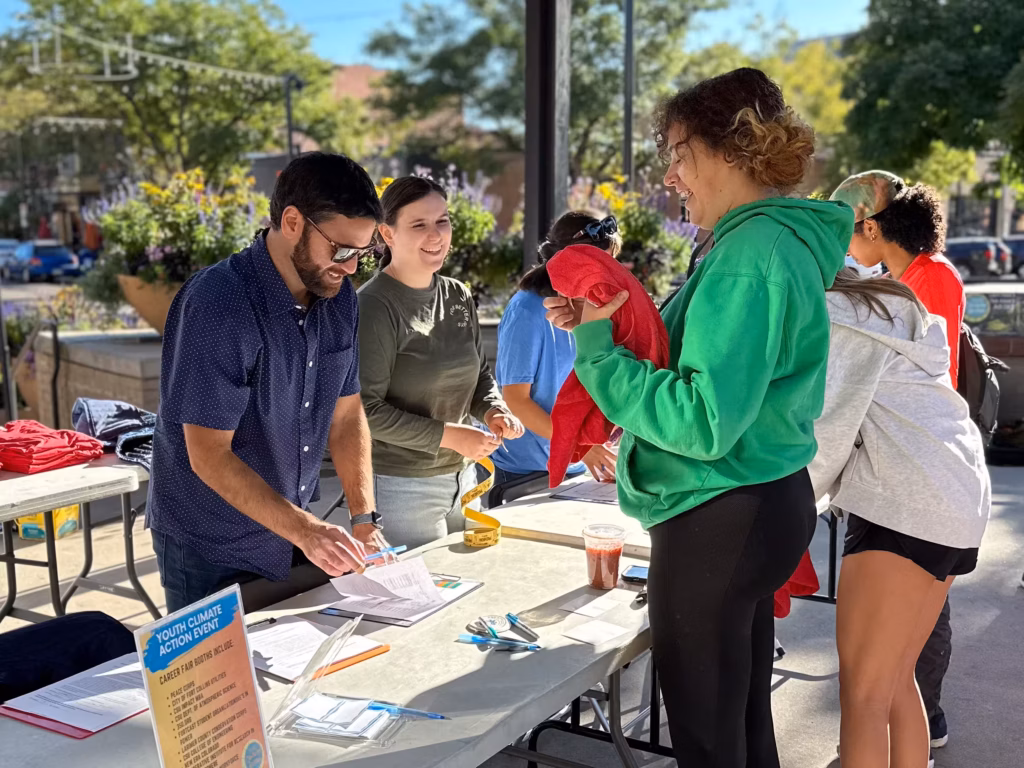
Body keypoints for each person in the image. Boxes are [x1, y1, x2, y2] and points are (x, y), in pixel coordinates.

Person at [548, 67, 850, 766]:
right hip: (757, 502)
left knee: (708, 739)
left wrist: (596, 352)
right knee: (740, 726)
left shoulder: (750, 253)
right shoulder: (772, 242)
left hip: (720, 512)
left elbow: (702, 418)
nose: (672, 177)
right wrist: (603, 324)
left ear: (733, 146)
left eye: (679, 154)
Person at [147, 152, 384, 614]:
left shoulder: (339, 299)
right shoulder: (219, 303)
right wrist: (307, 531)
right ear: (292, 221)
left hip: (289, 530)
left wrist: (364, 517)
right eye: (342, 250)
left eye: (365, 252)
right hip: (209, 544)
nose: (353, 267)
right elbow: (209, 455)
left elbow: (347, 414)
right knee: (218, 686)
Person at [809, 269, 989, 768]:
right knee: (893, 680)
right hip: (956, 496)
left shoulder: (833, 319)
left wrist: (782, 506)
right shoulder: (885, 305)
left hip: (906, 499)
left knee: (864, 694)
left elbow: (826, 435)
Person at [831, 171, 963, 752]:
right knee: (893, 684)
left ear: (872, 228)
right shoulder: (907, 287)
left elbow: (834, 418)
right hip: (948, 485)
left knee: (864, 694)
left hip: (907, 489)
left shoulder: (888, 294)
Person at [356, 176, 524, 549]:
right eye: (419, 224)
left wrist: (494, 410)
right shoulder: (374, 306)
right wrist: (451, 436)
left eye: (442, 221)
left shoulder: (458, 294)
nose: (436, 235)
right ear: (387, 233)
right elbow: (363, 411)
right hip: (403, 490)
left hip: (464, 478)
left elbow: (479, 374)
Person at [492, 211, 621, 493]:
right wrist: (579, 445)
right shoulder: (527, 310)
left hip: (578, 468)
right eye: (601, 264)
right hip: (524, 473)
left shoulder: (594, 308)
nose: (609, 273)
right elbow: (516, 400)